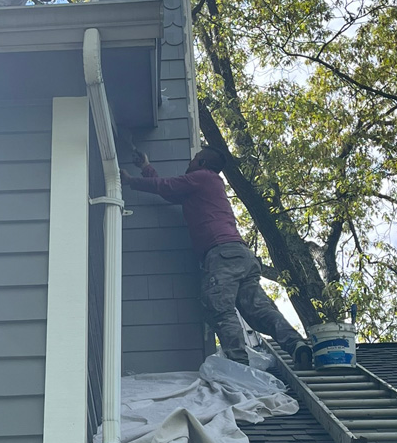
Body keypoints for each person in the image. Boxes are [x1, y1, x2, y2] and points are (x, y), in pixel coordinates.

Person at [120, 146, 313, 369]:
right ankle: (296, 344)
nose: (190, 162)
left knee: (221, 309)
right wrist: (146, 167)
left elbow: (168, 186)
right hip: (240, 254)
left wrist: (130, 180)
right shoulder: (207, 185)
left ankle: (238, 365)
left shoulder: (202, 177)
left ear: (202, 163)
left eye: (195, 158)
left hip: (222, 254)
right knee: (259, 310)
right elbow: (171, 192)